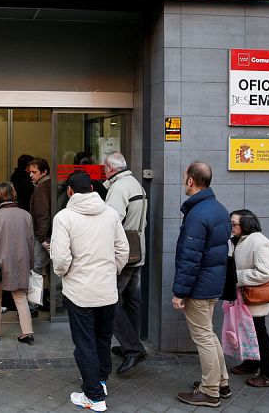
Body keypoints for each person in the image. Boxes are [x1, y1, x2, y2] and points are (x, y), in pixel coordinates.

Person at [51, 171, 129, 412]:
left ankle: (94, 396)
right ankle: (101, 382)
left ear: (70, 192)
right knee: (102, 339)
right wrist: (110, 271)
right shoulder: (111, 214)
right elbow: (122, 250)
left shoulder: (64, 217)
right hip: (107, 290)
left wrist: (65, 274)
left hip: (80, 292)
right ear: (93, 189)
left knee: (85, 343)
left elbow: (61, 259)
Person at [173, 161, 231, 408]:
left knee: (203, 337)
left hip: (198, 286)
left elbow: (190, 257)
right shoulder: (218, 209)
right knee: (209, 334)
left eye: (185, 176)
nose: (183, 180)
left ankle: (209, 391)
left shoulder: (197, 214)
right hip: (213, 283)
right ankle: (222, 382)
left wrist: (180, 292)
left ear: (190, 181)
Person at [101, 152, 148, 375]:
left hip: (123, 254)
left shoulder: (119, 188)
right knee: (132, 301)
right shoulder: (135, 183)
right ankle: (131, 344)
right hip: (138, 251)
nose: (103, 172)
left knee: (110, 300)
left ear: (111, 168)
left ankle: (132, 348)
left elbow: (111, 222)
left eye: (104, 168)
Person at [228, 209, 269, 388]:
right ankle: (252, 363)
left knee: (259, 333)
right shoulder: (242, 240)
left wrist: (235, 276)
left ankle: (268, 375)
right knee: (249, 332)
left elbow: (265, 272)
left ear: (246, 224)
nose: (231, 227)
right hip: (245, 297)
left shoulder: (260, 242)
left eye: (234, 224)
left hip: (257, 298)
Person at [0, 182, 35, 343]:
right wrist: (30, 264)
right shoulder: (26, 215)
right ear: (14, 194)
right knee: (20, 297)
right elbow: (31, 242)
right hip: (20, 263)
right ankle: (27, 332)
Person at [27, 157, 51, 317]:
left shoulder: (42, 188)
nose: (31, 175)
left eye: (34, 172)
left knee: (35, 270)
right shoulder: (49, 185)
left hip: (44, 236)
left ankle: (32, 307)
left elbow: (42, 215)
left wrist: (42, 239)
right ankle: (56, 303)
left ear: (44, 172)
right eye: (30, 172)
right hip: (50, 234)